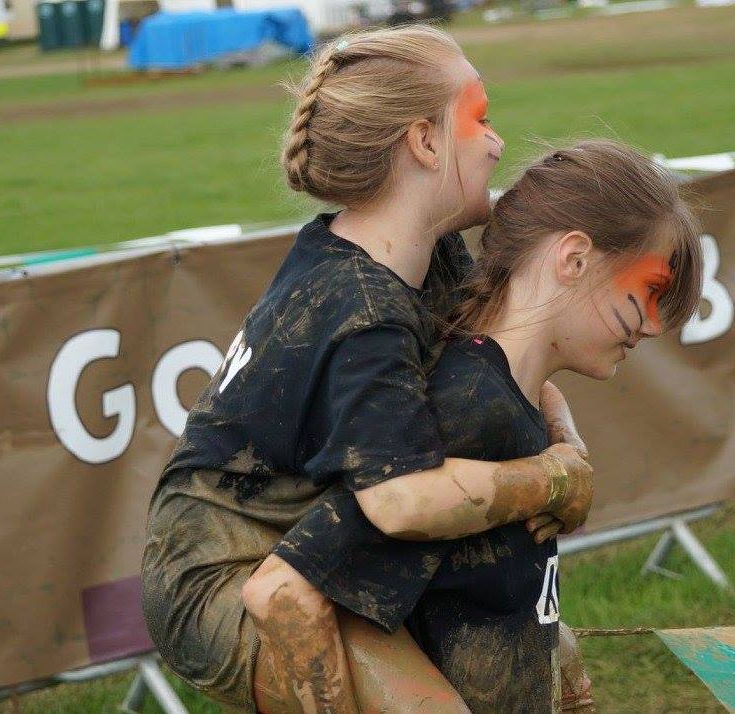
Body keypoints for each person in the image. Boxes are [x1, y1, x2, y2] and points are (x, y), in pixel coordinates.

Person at [141, 25, 592, 713]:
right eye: (480, 118)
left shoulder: (426, 256)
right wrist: (550, 478)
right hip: (224, 576)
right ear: (424, 141)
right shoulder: (363, 309)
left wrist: (568, 446)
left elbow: (494, 374)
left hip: (313, 544)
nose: (497, 143)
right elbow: (398, 500)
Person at [243, 141, 703, 712]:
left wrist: (551, 644)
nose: (654, 326)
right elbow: (283, 588)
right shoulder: (467, 406)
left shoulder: (513, 398)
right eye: (651, 291)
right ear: (574, 259)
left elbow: (466, 584)